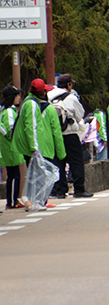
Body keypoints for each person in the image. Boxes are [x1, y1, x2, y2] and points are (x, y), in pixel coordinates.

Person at [13, 79, 66, 209]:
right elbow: (32, 127)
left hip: (36, 146)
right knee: (40, 176)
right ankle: (35, 202)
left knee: (36, 175)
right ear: (42, 92)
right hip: (40, 147)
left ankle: (34, 201)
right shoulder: (34, 105)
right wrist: (60, 153)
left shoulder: (28, 102)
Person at [47, 74, 93, 198]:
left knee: (59, 163)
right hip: (70, 134)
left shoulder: (49, 97)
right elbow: (80, 115)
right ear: (68, 85)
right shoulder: (71, 97)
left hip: (56, 134)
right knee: (76, 162)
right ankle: (79, 190)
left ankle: (60, 191)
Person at [0, 85, 26, 209]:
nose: (19, 98)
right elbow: (11, 129)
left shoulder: (5, 111)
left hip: (8, 147)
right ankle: (12, 201)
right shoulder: (10, 111)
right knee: (14, 175)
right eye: (17, 95)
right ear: (11, 97)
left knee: (13, 174)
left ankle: (12, 200)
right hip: (11, 147)